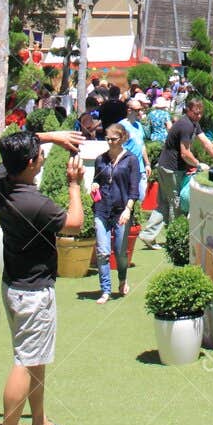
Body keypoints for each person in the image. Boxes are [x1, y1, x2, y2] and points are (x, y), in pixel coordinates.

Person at [0, 130, 84, 425]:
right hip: (32, 292)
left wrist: (51, 137)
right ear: (30, 163)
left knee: (36, 358)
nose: (43, 157)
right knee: (26, 361)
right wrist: (75, 184)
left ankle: (38, 423)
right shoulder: (34, 203)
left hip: (15, 284)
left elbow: (10, 146)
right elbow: (74, 223)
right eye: (40, 154)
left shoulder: (2, 180)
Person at [140, 97, 213, 247]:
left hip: (170, 168)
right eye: (195, 113)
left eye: (200, 113)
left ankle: (148, 235)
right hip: (170, 169)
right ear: (188, 111)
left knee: (165, 202)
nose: (198, 116)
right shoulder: (185, 125)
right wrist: (199, 164)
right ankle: (176, 238)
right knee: (175, 203)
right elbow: (185, 153)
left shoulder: (194, 123)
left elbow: (206, 142)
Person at [93, 126, 140, 303]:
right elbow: (96, 180)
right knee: (102, 252)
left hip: (122, 210)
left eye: (113, 139)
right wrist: (94, 185)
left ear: (122, 139)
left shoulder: (131, 160)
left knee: (120, 252)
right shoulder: (101, 160)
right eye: (108, 139)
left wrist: (128, 209)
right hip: (101, 209)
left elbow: (134, 189)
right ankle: (105, 290)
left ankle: (122, 279)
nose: (110, 142)